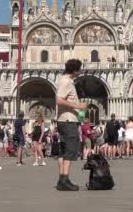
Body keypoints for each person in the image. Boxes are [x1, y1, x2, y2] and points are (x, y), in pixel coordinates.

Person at [55, 59, 87, 191]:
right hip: (68, 121)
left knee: (64, 150)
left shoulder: (66, 80)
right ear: (75, 70)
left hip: (66, 120)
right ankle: (65, 179)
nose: (80, 71)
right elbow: (59, 100)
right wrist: (77, 106)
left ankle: (62, 179)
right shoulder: (66, 81)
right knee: (70, 149)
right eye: (80, 69)